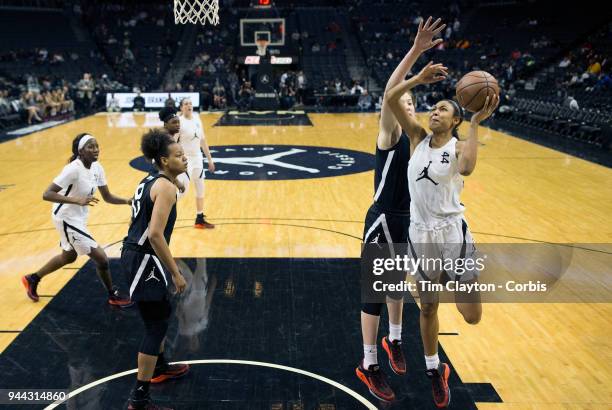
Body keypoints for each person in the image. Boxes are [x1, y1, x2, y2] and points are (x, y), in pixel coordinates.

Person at [386, 60, 498, 408]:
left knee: (472, 315)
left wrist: (477, 124)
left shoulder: (460, 147)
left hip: (453, 235)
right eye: (433, 108)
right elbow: (391, 99)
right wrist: (418, 77)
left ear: (456, 121)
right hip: (421, 235)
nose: (435, 112)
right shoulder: (417, 138)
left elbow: (467, 167)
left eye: (443, 109)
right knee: (429, 306)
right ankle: (435, 370)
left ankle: (458, 277)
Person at [355, 17, 446, 403]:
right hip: (382, 220)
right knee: (375, 294)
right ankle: (369, 364)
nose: (408, 104)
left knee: (397, 287)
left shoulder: (423, 144)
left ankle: (394, 342)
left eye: (413, 103)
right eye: (404, 101)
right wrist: (415, 55)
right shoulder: (390, 136)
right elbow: (390, 93)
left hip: (408, 223)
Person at [21, 133, 133, 308]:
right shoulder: (73, 169)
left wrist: (127, 201)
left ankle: (32, 278)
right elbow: (47, 194)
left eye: (96, 146)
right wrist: (76, 200)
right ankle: (113, 295)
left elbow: (108, 196)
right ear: (80, 151)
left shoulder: (97, 168)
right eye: (90, 147)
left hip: (77, 217)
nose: (95, 150)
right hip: (65, 217)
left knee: (69, 256)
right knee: (101, 258)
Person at [122, 129, 190, 410]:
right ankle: (139, 398)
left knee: (160, 313)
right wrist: (175, 272)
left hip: (138, 256)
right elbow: (155, 235)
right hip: (144, 258)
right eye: (178, 155)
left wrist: (176, 182)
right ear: (163, 160)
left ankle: (160, 366)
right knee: (156, 325)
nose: (184, 158)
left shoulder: (153, 180)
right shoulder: (165, 187)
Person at [177, 98, 216, 229]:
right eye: (186, 104)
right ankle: (162, 211)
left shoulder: (197, 119)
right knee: (182, 191)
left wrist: (210, 159)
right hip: (185, 160)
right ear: (181, 108)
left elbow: (203, 140)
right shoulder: (179, 122)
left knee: (200, 189)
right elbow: (173, 143)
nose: (189, 106)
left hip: (198, 158)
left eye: (190, 104)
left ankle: (199, 219)